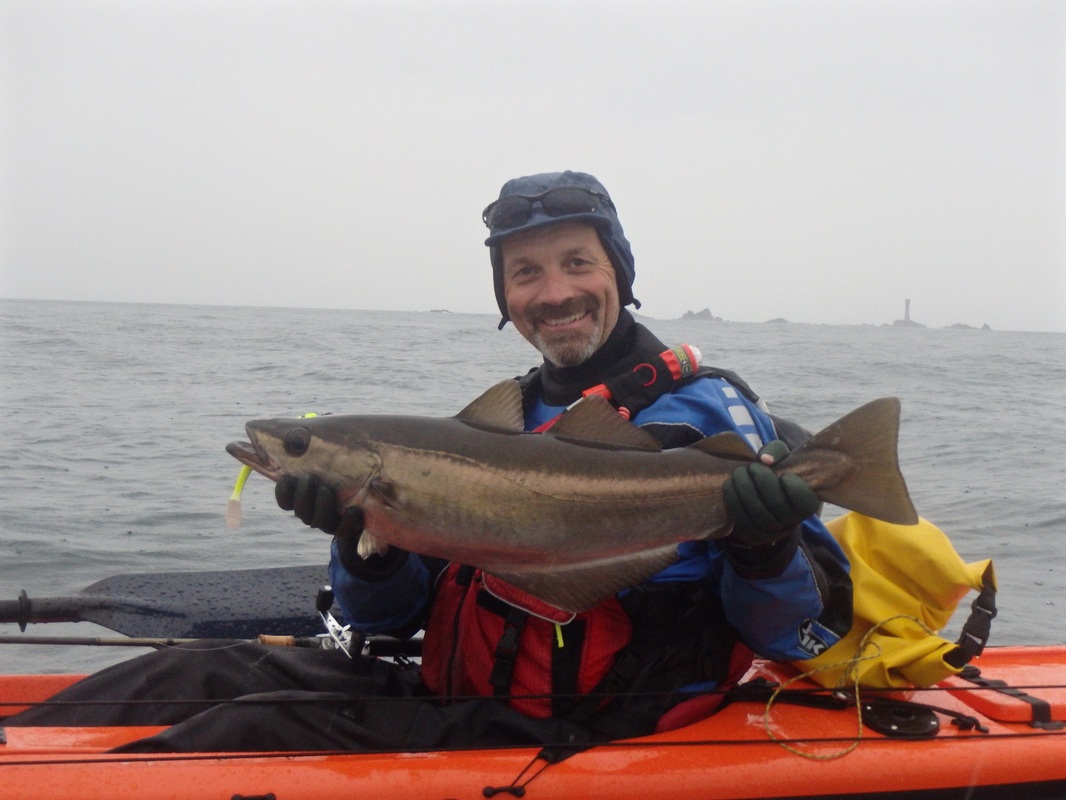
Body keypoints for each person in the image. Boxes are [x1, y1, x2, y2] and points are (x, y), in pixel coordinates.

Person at [6, 171, 852, 753]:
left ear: (619, 274)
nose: (553, 291)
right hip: (467, 699)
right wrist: (362, 540)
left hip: (590, 729)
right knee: (193, 671)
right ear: (506, 298)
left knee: (242, 728)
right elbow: (383, 620)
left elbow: (806, 637)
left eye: (577, 262)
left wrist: (763, 547)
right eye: (525, 273)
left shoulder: (711, 411)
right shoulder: (511, 413)